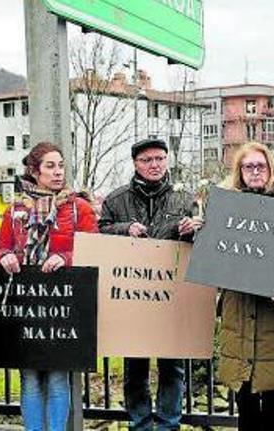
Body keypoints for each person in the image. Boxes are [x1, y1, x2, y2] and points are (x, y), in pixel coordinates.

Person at [0, 141, 98, 431]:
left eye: (61, 165)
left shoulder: (79, 208)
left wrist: (64, 257)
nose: (57, 172)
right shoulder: (15, 209)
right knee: (29, 378)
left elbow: (97, 250)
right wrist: (6, 258)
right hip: (27, 302)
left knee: (56, 377)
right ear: (34, 171)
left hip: (65, 303)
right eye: (50, 166)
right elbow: (0, 248)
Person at [99, 138, 201, 430]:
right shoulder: (116, 200)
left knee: (173, 367)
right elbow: (101, 231)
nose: (155, 165)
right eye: (147, 160)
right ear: (135, 164)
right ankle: (139, 424)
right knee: (135, 368)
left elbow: (201, 241)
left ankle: (169, 424)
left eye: (160, 158)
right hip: (133, 298)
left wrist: (192, 231)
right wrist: (124, 229)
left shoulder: (185, 198)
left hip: (171, 297)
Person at [215, 142, 274, 431]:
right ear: (240, 172)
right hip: (239, 314)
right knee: (245, 397)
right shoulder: (222, 211)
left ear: (270, 169)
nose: (255, 171)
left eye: (260, 166)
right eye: (248, 166)